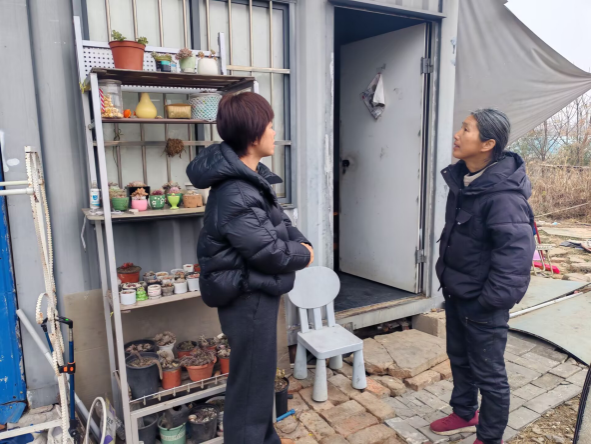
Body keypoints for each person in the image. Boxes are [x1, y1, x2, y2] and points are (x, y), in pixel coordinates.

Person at [186, 92, 314, 445]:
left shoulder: (251, 178)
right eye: (270, 125)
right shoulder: (237, 191)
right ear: (253, 134)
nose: (275, 132)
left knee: (257, 382)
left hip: (255, 292)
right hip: (247, 298)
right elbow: (271, 253)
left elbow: (281, 223)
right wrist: (304, 255)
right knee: (249, 389)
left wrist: (302, 245)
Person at [430, 109, 536, 444]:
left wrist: (487, 302)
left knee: (489, 375)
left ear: (488, 144)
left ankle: (489, 437)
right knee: (460, 359)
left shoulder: (504, 196)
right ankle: (464, 412)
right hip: (457, 292)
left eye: (466, 129)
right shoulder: (464, 180)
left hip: (482, 304)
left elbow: (515, 260)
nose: (457, 134)